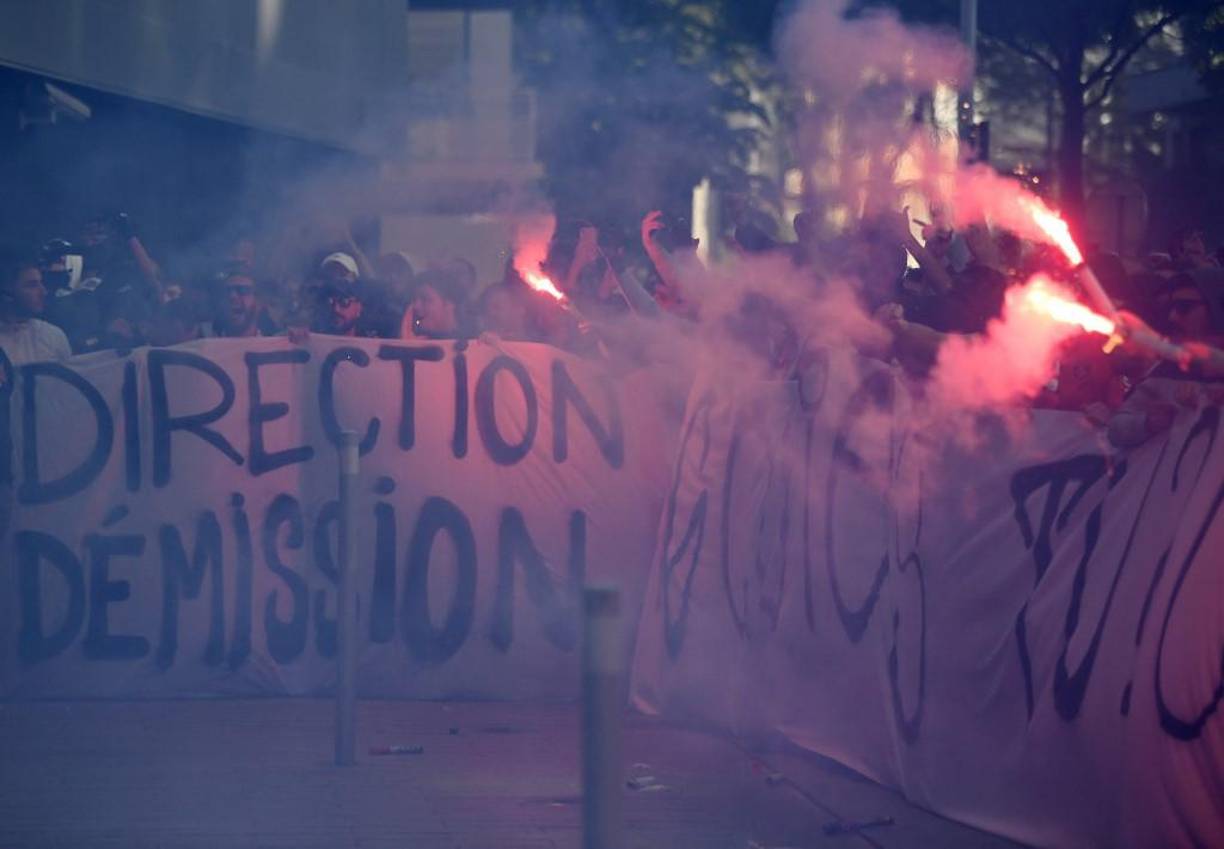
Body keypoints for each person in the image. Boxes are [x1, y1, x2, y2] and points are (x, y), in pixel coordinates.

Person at [0, 258, 72, 369]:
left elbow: (68, 378)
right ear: (7, 292)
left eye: (40, 283)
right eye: (32, 285)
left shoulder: (53, 335)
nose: (43, 292)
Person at [200, 269, 270, 338]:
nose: (233, 296)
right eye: (227, 291)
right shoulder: (203, 339)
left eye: (242, 290)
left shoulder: (272, 342)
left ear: (259, 302)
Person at [404, 270, 469, 339]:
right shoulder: (413, 338)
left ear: (449, 304)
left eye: (425, 299)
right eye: (414, 299)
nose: (416, 306)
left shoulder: (473, 340)